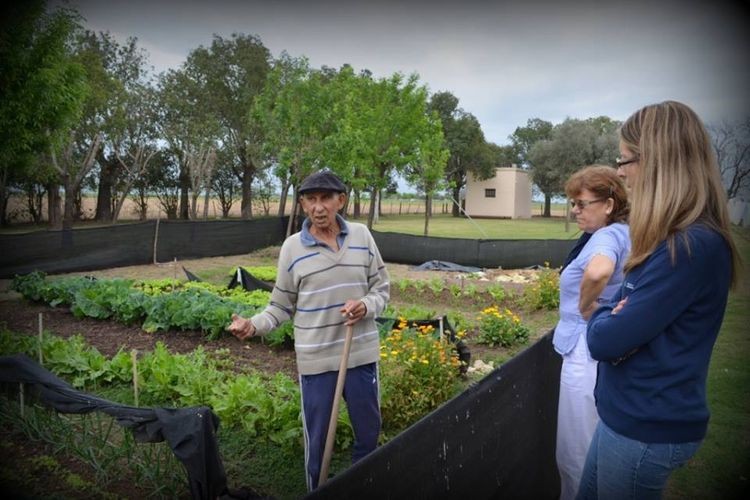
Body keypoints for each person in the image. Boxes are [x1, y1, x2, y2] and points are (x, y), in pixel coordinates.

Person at [577, 101, 740, 499]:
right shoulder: (673, 241)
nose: (619, 171)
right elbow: (621, 318)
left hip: (643, 429)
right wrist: (614, 314)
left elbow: (605, 340)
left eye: (625, 159)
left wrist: (601, 314)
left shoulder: (689, 247)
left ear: (657, 162)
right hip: (627, 419)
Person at [227, 170, 390, 491]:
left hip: (360, 356)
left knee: (369, 435)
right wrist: (253, 325)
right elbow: (280, 307)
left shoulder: (362, 237)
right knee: (318, 443)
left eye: (326, 198)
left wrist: (365, 305)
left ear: (341, 201)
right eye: (311, 199)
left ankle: (364, 488)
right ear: (302, 205)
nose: (318, 207)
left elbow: (381, 289)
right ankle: (317, 490)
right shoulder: (292, 248)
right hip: (317, 362)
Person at [553, 165, 631, 500]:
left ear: (609, 205)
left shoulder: (606, 236)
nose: (575, 210)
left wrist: (587, 307)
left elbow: (599, 272)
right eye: (573, 203)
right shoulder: (625, 231)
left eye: (582, 203)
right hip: (599, 350)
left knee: (575, 450)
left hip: (584, 355)